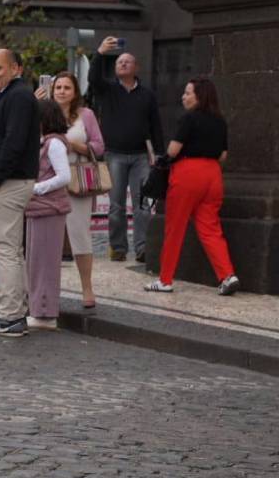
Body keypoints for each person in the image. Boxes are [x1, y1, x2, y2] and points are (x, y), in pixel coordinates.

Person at [146, 78, 239, 296]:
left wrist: (163, 160)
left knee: (175, 228)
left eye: (188, 93)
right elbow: (223, 155)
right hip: (213, 175)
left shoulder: (188, 119)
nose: (183, 97)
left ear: (200, 96)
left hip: (188, 173)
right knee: (210, 228)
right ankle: (227, 275)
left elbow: (173, 150)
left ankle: (165, 279)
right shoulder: (220, 121)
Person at [0, 48, 39, 338]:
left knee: (5, 251)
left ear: (16, 68)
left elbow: (14, 141)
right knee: (9, 251)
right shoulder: (10, 97)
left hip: (7, 184)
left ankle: (11, 317)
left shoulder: (19, 96)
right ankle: (12, 313)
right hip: (7, 183)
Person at [89, 36, 164, 263]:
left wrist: (159, 154)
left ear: (136, 67)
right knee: (116, 205)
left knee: (142, 204)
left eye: (127, 62)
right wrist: (100, 53)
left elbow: (155, 125)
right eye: (119, 62)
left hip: (141, 155)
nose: (122, 64)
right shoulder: (108, 90)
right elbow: (93, 79)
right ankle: (118, 247)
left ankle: (142, 247)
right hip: (115, 155)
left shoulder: (147, 95)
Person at [37, 71, 105, 308]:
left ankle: (87, 288)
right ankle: (43, 289)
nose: (62, 91)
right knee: (45, 237)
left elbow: (99, 146)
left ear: (75, 91)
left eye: (67, 87)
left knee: (79, 234)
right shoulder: (44, 112)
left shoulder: (86, 115)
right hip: (47, 179)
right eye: (58, 87)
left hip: (77, 180)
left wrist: (77, 145)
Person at [25, 100, 73, 331]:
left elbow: (64, 177)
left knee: (44, 262)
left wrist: (37, 188)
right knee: (36, 262)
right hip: (39, 207)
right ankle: (38, 308)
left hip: (48, 207)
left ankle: (44, 312)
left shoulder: (54, 144)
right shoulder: (46, 143)